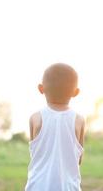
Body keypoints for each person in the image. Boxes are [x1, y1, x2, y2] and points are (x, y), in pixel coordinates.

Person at [25, 63, 85, 191]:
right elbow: (78, 159)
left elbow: (35, 154)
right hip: (68, 187)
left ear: (41, 89)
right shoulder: (79, 120)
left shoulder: (35, 118)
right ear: (76, 92)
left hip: (37, 186)